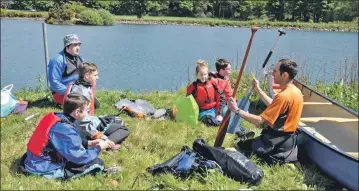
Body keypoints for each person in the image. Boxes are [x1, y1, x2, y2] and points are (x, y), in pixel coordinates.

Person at [20, 93, 120, 179]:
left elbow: (66, 142)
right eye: (86, 111)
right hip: (42, 167)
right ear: (77, 112)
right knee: (97, 162)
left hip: (32, 159)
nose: (88, 113)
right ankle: (103, 173)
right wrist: (98, 148)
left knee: (87, 155)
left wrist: (89, 143)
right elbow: (80, 157)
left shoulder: (57, 117)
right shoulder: (66, 130)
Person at [227, 59, 303, 165]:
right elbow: (274, 105)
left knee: (242, 145)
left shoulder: (283, 96)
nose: (273, 73)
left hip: (276, 141)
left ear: (284, 75)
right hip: (289, 142)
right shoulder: (296, 91)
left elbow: (259, 121)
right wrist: (258, 89)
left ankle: (278, 159)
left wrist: (236, 110)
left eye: (275, 71)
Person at [47, 34, 98, 107]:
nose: (78, 48)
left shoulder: (80, 59)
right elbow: (54, 83)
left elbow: (86, 75)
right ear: (67, 46)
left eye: (79, 45)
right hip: (61, 92)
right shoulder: (57, 61)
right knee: (82, 105)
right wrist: (70, 92)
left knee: (95, 105)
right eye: (75, 45)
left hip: (77, 89)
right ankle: (63, 103)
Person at [210, 58, 254, 139]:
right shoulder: (214, 80)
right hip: (222, 106)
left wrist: (236, 102)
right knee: (231, 115)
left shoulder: (226, 78)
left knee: (243, 104)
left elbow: (230, 93)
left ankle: (240, 130)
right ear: (221, 70)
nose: (231, 70)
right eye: (228, 69)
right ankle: (239, 132)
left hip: (230, 102)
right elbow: (219, 97)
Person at [186, 60, 225, 126]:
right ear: (196, 74)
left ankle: (221, 121)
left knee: (230, 111)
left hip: (216, 108)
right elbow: (188, 104)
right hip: (203, 112)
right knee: (209, 120)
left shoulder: (213, 82)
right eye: (201, 74)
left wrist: (219, 113)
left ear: (208, 74)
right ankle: (219, 123)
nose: (203, 77)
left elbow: (221, 97)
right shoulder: (192, 88)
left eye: (205, 74)